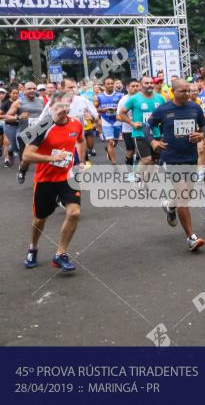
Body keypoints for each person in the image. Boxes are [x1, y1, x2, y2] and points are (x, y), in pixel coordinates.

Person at [22, 92, 86, 272]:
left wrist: (79, 162)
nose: (62, 110)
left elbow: (80, 141)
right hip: (45, 179)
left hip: (68, 177)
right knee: (40, 219)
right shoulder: (42, 127)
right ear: (50, 109)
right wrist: (52, 158)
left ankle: (60, 254)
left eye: (65, 106)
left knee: (74, 213)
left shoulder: (76, 123)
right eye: (58, 107)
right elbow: (27, 155)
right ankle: (33, 247)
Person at [146, 79, 205, 251]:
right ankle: (190, 237)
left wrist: (201, 134)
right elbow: (147, 125)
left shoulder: (195, 108)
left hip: (190, 157)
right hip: (171, 157)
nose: (187, 94)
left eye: (189, 91)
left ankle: (170, 206)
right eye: (183, 91)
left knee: (186, 196)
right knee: (183, 196)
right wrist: (152, 142)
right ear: (173, 91)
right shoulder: (164, 109)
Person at [118, 77, 165, 170]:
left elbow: (165, 113)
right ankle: (138, 179)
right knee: (146, 159)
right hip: (140, 133)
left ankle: (144, 182)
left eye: (151, 83)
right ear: (141, 85)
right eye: (146, 83)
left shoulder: (160, 98)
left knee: (153, 161)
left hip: (156, 133)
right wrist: (132, 123)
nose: (149, 85)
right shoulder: (134, 98)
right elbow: (121, 113)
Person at [6, 82, 46, 184]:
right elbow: (7, 117)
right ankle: (22, 171)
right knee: (26, 159)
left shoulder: (41, 101)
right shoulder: (19, 102)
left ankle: (47, 179)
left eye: (34, 88)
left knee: (46, 155)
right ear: (24, 91)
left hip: (40, 132)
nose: (32, 90)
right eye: (29, 89)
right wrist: (18, 117)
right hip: (25, 134)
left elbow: (47, 114)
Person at [95, 77, 124, 164]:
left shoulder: (120, 95)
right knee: (110, 142)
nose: (110, 85)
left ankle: (108, 149)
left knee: (115, 141)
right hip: (106, 120)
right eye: (108, 84)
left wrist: (117, 109)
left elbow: (124, 107)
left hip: (117, 120)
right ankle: (114, 163)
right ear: (104, 85)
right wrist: (104, 110)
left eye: (112, 83)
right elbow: (95, 109)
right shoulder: (99, 97)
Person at [117, 80, 140, 178]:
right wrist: (131, 121)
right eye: (133, 86)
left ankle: (139, 174)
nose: (135, 88)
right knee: (130, 152)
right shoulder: (123, 100)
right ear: (127, 88)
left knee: (141, 152)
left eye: (137, 86)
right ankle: (130, 173)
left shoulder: (142, 98)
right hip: (128, 130)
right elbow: (118, 117)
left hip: (141, 130)